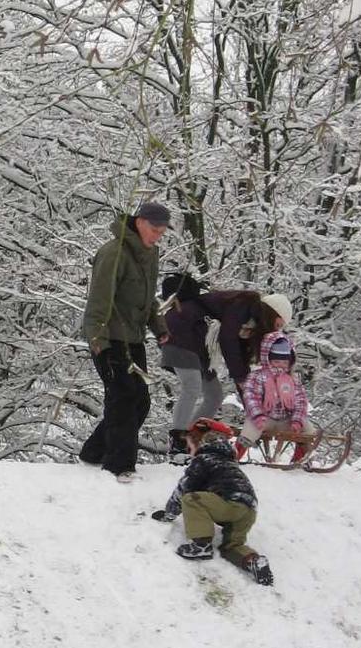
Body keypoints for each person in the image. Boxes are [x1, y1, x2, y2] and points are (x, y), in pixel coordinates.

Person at [80, 201, 170, 481]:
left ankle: (94, 451)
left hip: (134, 339)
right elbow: (97, 302)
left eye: (162, 232)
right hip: (109, 337)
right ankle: (119, 466)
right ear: (140, 222)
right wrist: (98, 343)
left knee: (141, 400)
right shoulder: (113, 253)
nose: (158, 236)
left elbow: (147, 298)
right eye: (154, 229)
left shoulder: (150, 253)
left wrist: (160, 328)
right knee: (123, 397)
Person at [151, 417, 273, 586]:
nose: (189, 447)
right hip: (249, 509)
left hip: (228, 503)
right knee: (231, 547)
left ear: (199, 442)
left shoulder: (204, 459)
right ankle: (252, 560)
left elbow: (184, 488)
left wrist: (169, 514)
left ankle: (201, 544)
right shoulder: (229, 461)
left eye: (191, 443)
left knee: (192, 499)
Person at [159, 272, 222, 463]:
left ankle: (191, 437)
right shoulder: (187, 309)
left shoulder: (192, 308)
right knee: (192, 388)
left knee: (214, 395)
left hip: (198, 354)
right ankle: (179, 440)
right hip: (183, 349)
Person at [237, 332, 316, 464]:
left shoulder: (292, 380)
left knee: (307, 428)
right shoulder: (257, 377)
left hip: (286, 420)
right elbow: (251, 397)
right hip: (263, 419)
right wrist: (258, 416)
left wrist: (296, 420)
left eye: (284, 362)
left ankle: (301, 457)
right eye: (276, 361)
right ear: (267, 360)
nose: (280, 365)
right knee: (249, 429)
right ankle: (234, 455)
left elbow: (301, 402)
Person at [197, 289, 292, 395]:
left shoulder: (251, 324)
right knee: (194, 387)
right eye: (278, 325)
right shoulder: (243, 306)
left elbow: (241, 354)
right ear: (272, 314)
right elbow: (228, 340)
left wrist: (246, 386)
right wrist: (241, 379)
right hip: (190, 329)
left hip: (200, 341)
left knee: (213, 398)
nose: (276, 330)